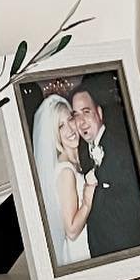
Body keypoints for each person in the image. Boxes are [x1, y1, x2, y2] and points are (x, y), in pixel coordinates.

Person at [71, 79, 140, 259]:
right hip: (99, 250)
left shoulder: (124, 146)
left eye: (86, 112)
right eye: (76, 115)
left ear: (99, 113)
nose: (81, 121)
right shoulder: (83, 150)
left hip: (128, 247)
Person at [32, 93, 95, 267]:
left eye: (70, 120)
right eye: (60, 126)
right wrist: (87, 202)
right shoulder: (65, 171)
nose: (70, 129)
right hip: (80, 252)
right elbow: (72, 230)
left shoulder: (78, 160)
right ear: (54, 134)